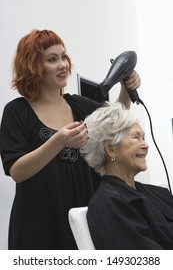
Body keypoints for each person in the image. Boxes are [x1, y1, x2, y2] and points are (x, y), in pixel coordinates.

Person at [0, 29, 141, 250]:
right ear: (33, 66)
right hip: (38, 225)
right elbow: (17, 171)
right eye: (52, 59)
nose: (63, 64)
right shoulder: (17, 112)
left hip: (81, 217)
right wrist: (57, 141)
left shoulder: (79, 105)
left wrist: (125, 88)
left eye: (64, 56)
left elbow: (116, 117)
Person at [81, 102, 173, 250]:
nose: (146, 145)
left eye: (143, 137)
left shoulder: (156, 193)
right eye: (136, 137)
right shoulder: (110, 204)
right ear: (111, 149)